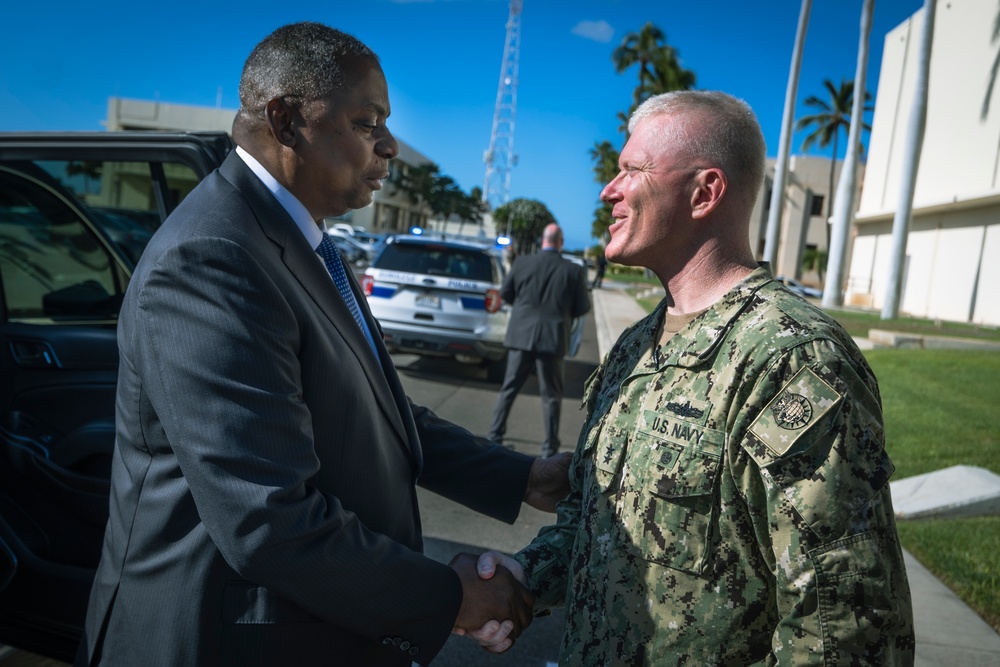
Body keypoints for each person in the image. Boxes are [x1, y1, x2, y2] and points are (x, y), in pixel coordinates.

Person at [76, 22, 570, 667]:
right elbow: (266, 518)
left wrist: (523, 476)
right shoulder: (213, 258)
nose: (389, 146)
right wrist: (449, 596)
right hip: (222, 638)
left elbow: (376, 416)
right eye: (368, 123)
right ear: (285, 121)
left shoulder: (306, 243)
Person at [469, 91, 915, 664]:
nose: (610, 189)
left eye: (631, 170)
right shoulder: (638, 344)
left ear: (704, 192)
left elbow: (844, 626)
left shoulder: (790, 360)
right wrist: (523, 575)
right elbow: (594, 524)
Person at [487, 224, 591, 458]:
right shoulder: (572, 271)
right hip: (552, 339)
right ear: (561, 242)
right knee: (551, 396)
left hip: (521, 335)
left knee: (509, 388)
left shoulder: (522, 263)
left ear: (542, 240)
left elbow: (506, 293)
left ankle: (494, 437)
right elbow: (582, 307)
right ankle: (549, 448)